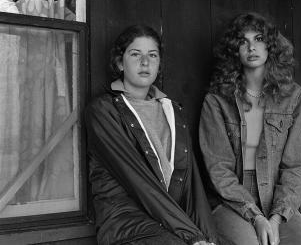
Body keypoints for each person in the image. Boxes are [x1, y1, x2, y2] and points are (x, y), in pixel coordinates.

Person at [85, 25, 231, 245]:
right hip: (128, 223)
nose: (145, 62)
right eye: (135, 54)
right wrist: (191, 235)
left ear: (159, 63)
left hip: (172, 223)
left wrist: (208, 237)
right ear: (119, 63)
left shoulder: (172, 110)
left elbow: (192, 186)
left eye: (152, 55)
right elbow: (138, 180)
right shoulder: (103, 111)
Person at [199, 12, 301, 245]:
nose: (251, 47)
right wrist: (255, 216)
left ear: (270, 46)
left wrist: (275, 217)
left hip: (277, 202)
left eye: (259, 39)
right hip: (230, 203)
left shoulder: (294, 97)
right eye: (243, 41)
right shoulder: (216, 101)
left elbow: (297, 166)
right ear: (234, 50)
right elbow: (218, 170)